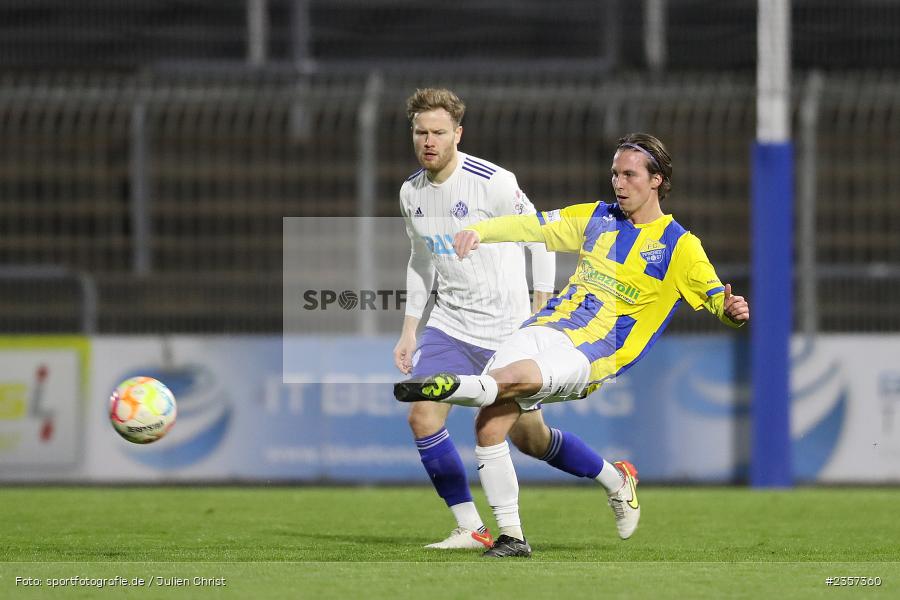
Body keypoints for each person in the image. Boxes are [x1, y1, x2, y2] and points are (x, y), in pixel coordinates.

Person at [396, 133, 751, 558]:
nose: (619, 183)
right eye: (615, 173)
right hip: (543, 328)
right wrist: (479, 229)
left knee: (510, 381)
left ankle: (450, 385)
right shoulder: (595, 218)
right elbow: (532, 225)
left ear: (656, 180)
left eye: (630, 175)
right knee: (491, 426)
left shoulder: (680, 246)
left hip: (591, 354)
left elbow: (715, 300)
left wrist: (730, 310)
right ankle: (514, 536)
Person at [397, 89, 628, 555]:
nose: (429, 141)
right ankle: (471, 526)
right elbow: (421, 260)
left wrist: (542, 300)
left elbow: (540, 236)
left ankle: (613, 477)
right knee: (422, 414)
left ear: (457, 134)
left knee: (532, 440)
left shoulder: (494, 182)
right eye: (421, 132)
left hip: (508, 331)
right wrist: (409, 329)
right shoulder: (410, 192)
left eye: (439, 132)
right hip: (451, 326)